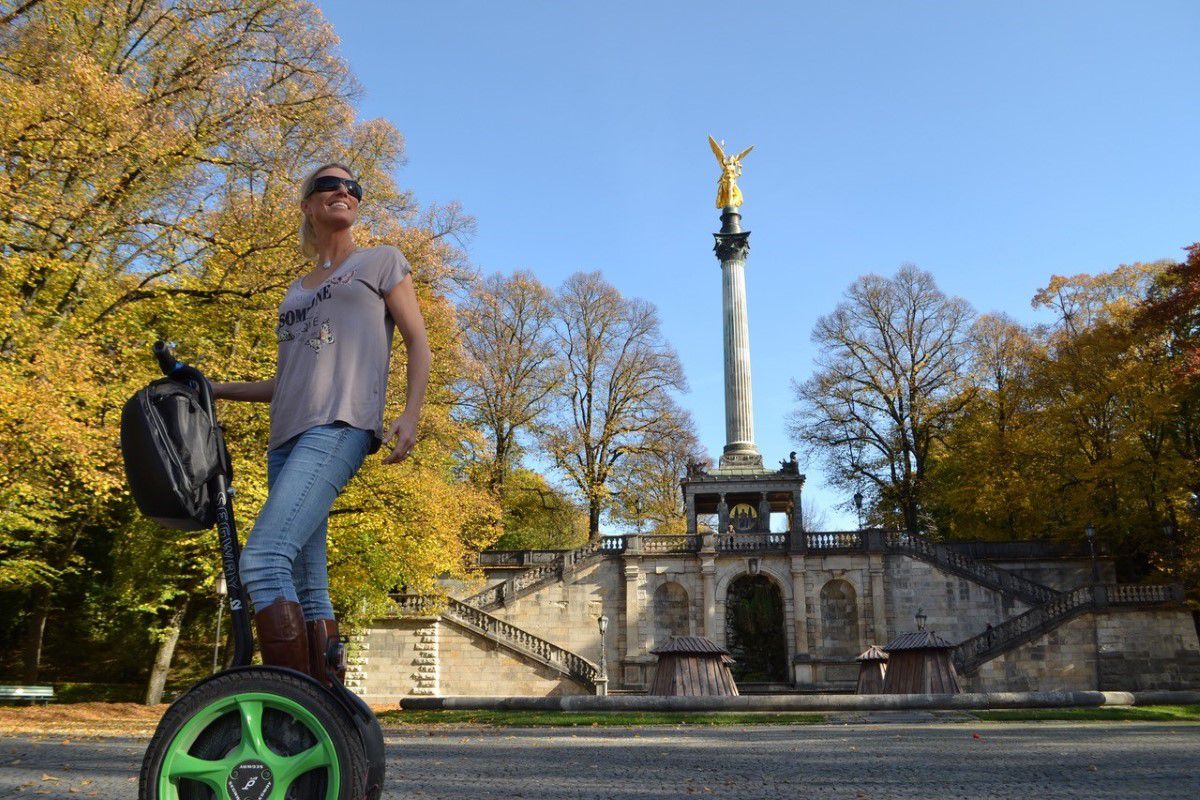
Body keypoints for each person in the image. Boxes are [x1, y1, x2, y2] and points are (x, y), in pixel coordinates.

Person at [212, 163, 431, 685]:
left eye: (352, 187)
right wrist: (215, 387)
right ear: (308, 205)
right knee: (309, 587)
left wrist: (409, 412)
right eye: (328, 185)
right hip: (285, 438)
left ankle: (293, 707)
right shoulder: (295, 291)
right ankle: (326, 700)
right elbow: (284, 380)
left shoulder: (381, 262)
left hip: (340, 426)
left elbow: (418, 340)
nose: (342, 191)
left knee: (262, 562)